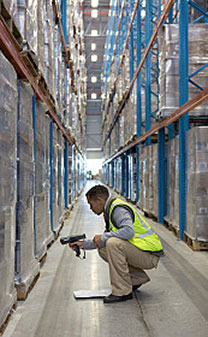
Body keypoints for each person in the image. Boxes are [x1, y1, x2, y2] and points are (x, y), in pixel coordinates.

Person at [69, 185, 163, 304]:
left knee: (112, 244)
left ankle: (122, 291)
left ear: (99, 200)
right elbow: (103, 240)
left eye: (91, 204)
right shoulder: (110, 209)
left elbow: (129, 231)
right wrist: (83, 245)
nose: (91, 208)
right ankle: (136, 279)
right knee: (104, 247)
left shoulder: (118, 209)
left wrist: (103, 237)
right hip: (140, 252)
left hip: (149, 255)